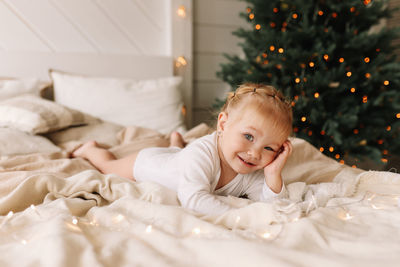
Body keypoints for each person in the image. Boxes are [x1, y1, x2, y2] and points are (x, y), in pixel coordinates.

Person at [72, 83, 293, 215]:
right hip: (149, 163)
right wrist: (242, 217)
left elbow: (273, 204)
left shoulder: (249, 166)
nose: (255, 153)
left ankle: (175, 144)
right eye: (248, 136)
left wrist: (273, 174)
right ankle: (89, 149)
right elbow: (194, 200)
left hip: (180, 161)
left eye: (269, 147)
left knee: (179, 157)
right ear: (223, 125)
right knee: (107, 166)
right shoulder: (202, 154)